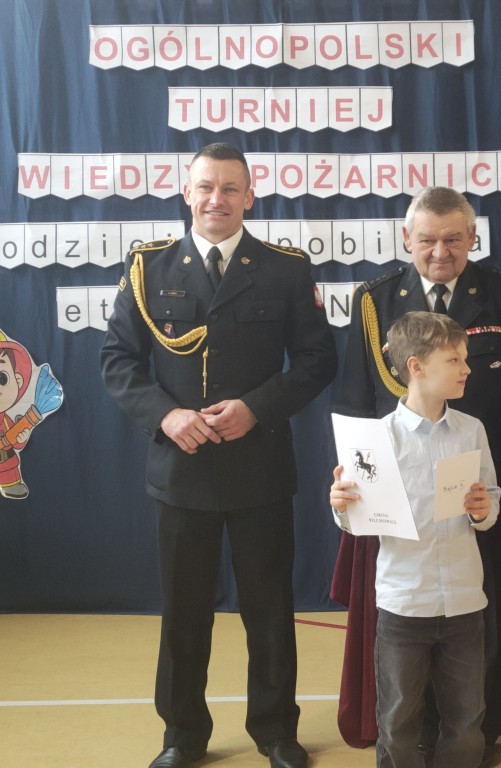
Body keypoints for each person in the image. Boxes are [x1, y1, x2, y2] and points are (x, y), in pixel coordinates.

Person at [100, 142, 337, 768]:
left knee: (269, 610)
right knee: (184, 615)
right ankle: (181, 735)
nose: (217, 199)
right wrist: (167, 415)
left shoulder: (285, 269)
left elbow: (317, 359)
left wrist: (257, 407)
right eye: (206, 187)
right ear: (187, 192)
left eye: (231, 188)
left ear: (250, 196)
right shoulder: (149, 267)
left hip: (259, 466)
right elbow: (118, 360)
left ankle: (276, 731)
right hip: (181, 470)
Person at [331, 186, 501, 761]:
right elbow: (355, 400)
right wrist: (353, 481)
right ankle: (416, 738)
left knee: (478, 617)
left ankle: (475, 736)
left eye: (453, 239)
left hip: (477, 486)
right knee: (405, 630)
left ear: (472, 238)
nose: (440, 251)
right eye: (427, 239)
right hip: (396, 496)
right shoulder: (375, 300)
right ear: (407, 238)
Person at [330, 311, 500, 768]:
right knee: (398, 720)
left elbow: (490, 502)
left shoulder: (472, 430)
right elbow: (357, 519)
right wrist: (341, 504)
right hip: (404, 602)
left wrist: (483, 510)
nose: (467, 369)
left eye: (465, 358)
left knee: (466, 720)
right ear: (416, 366)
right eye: (454, 359)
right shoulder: (377, 438)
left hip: (464, 600)